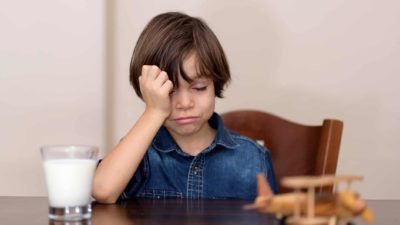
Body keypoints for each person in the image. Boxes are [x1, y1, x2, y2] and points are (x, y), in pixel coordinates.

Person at [92, 12, 278, 203]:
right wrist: (154, 111)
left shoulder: (254, 158)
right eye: (170, 90)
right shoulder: (138, 155)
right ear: (150, 91)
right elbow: (101, 190)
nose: (185, 103)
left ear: (216, 84)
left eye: (199, 88)